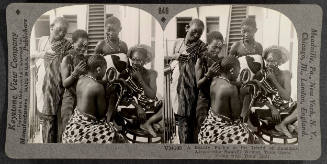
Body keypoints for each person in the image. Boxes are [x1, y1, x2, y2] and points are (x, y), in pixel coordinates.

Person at [62, 54, 126, 143]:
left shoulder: (81, 79)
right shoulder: (98, 87)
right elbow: (101, 114)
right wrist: (108, 94)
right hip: (84, 132)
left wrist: (105, 82)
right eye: (105, 68)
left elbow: (93, 82)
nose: (106, 70)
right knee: (117, 137)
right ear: (99, 69)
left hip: (72, 129)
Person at [198, 56, 259, 144]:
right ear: (232, 70)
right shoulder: (231, 88)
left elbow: (228, 84)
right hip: (220, 133)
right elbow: (236, 116)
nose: (239, 73)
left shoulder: (214, 80)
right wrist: (241, 94)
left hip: (208, 131)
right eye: (239, 70)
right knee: (250, 137)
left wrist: (240, 83)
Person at [169, 19, 207, 143]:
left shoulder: (201, 46)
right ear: (187, 28)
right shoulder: (178, 42)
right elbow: (171, 60)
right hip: (176, 85)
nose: (196, 36)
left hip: (190, 87)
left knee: (187, 119)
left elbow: (203, 64)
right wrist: (176, 56)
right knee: (180, 117)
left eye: (199, 34)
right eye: (194, 32)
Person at [246, 46, 296, 138]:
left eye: (273, 61)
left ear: (280, 62)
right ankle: (285, 123)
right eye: (267, 60)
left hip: (283, 108)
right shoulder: (260, 74)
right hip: (268, 110)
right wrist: (272, 108)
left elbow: (287, 97)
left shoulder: (286, 74)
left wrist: (274, 80)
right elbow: (256, 97)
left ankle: (282, 124)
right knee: (254, 112)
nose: (269, 64)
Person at [36, 17, 72, 143]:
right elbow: (31, 54)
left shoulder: (67, 44)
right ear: (51, 27)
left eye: (64, 31)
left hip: (57, 85)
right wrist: (42, 54)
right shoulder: (42, 40)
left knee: (57, 119)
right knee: (46, 119)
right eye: (59, 30)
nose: (62, 33)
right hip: (43, 83)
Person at [194, 31, 225, 142]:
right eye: (214, 47)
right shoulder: (200, 60)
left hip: (217, 99)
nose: (217, 51)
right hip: (204, 98)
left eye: (219, 48)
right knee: (202, 125)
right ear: (207, 45)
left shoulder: (221, 62)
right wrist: (208, 75)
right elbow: (197, 84)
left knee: (216, 129)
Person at [59, 29, 88, 142]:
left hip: (83, 99)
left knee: (80, 131)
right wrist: (75, 73)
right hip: (70, 98)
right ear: (73, 43)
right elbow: (65, 83)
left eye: (85, 46)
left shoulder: (85, 59)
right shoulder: (67, 59)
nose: (82, 49)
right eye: (80, 45)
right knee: (68, 128)